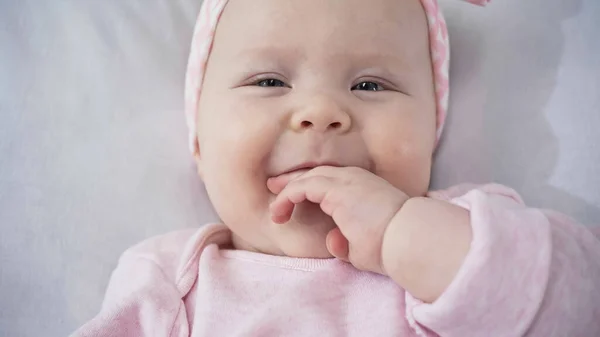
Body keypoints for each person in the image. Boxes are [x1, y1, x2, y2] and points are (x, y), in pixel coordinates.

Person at [72, 0, 600, 336]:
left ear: (432, 132)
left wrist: (405, 234)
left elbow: (582, 306)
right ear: (200, 144)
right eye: (268, 81)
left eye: (371, 85)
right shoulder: (172, 278)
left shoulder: (464, 235)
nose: (321, 112)